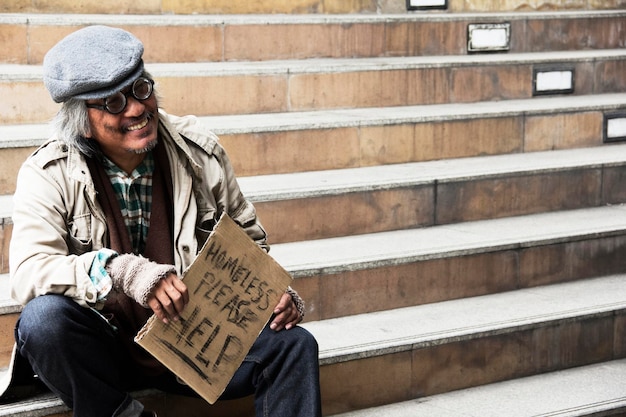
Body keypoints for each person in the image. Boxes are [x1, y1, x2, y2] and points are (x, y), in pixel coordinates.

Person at [6, 25, 322, 417]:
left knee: (294, 345)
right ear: (82, 121)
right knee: (43, 321)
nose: (137, 109)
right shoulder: (48, 172)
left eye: (141, 89)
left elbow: (249, 244)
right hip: (106, 348)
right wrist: (120, 271)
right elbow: (28, 273)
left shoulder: (199, 151)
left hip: (192, 341)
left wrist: (270, 297)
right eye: (114, 102)